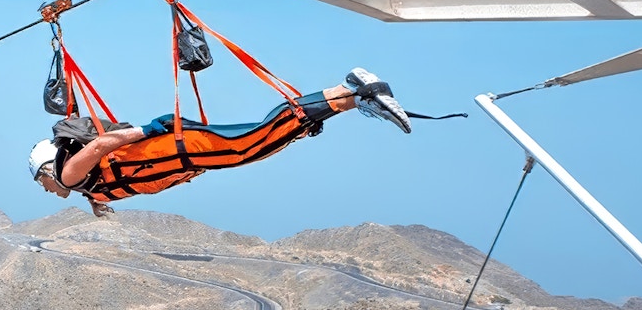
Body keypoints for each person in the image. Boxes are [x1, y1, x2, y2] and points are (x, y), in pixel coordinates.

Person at [29, 67, 410, 216]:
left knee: (254, 141)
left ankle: (349, 89)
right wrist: (98, 204)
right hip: (186, 156)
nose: (47, 189)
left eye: (41, 181)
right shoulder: (87, 187)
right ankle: (351, 100)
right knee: (260, 145)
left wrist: (146, 131)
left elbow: (99, 147)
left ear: (49, 167)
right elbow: (103, 181)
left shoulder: (69, 175)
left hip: (179, 149)